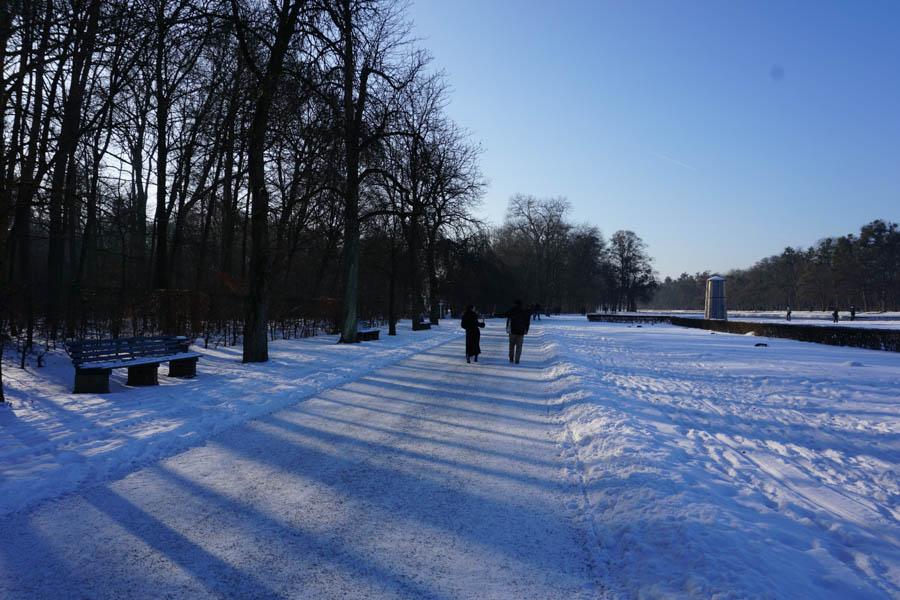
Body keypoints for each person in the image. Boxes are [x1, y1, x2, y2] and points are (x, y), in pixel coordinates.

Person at [498, 299, 530, 364]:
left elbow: (503, 315)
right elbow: (527, 321)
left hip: (512, 331)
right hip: (521, 332)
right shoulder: (524, 311)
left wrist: (495, 315)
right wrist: (526, 329)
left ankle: (511, 358)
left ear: (515, 304)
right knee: (519, 346)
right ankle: (517, 360)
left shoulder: (512, 310)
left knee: (511, 345)